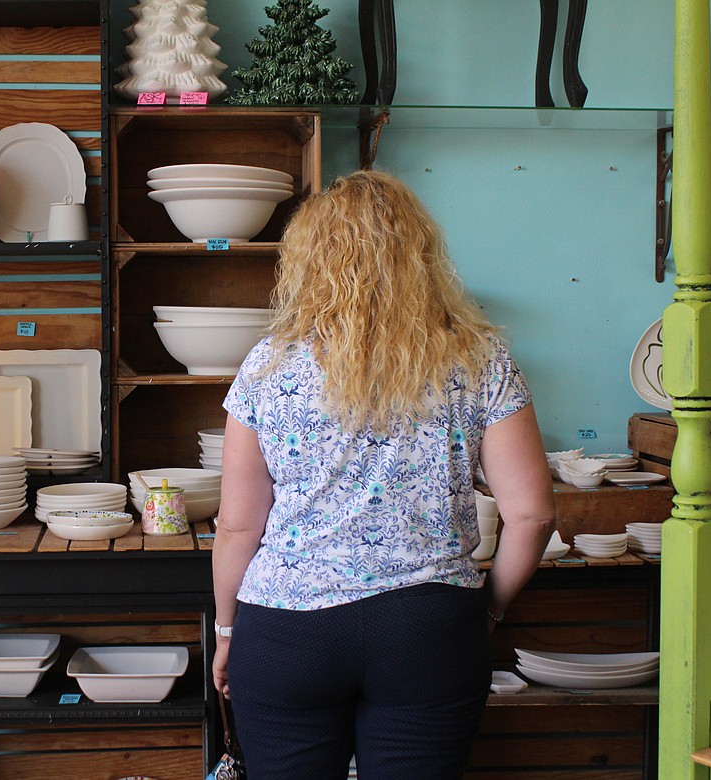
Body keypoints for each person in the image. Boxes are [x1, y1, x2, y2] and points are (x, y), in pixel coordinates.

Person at [211, 169, 556, 780]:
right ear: (421, 256)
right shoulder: (480, 359)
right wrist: (487, 610)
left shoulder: (270, 363)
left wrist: (228, 631)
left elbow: (238, 527)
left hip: (287, 629)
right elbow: (532, 515)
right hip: (428, 628)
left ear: (308, 262)